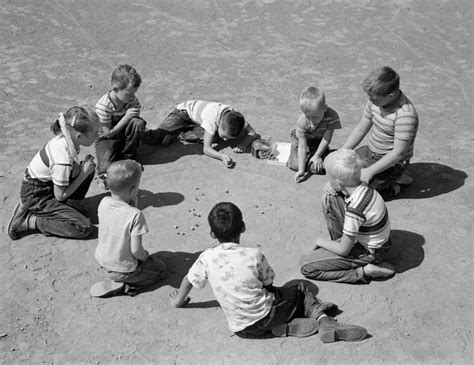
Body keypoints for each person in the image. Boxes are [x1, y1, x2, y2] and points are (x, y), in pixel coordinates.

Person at [169, 202, 368, 342]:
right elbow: (269, 281)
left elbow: (188, 279)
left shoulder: (206, 257)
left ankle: (283, 329)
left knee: (276, 301)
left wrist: (179, 301)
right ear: (243, 227)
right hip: (267, 315)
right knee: (297, 289)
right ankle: (325, 321)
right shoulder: (253, 255)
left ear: (212, 233)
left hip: (243, 329)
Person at [299, 149, 395, 284]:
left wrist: (319, 241)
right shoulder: (365, 187)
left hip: (369, 253)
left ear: (339, 183)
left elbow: (344, 250)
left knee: (306, 266)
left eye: (329, 178)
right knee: (329, 197)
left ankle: (363, 272)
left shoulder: (354, 210)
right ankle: (339, 241)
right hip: (378, 243)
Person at [7, 106, 99, 240]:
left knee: (86, 169)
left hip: (45, 185)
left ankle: (69, 207)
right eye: (95, 132)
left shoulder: (66, 139)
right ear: (79, 136)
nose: (98, 135)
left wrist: (82, 171)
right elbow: (60, 196)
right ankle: (29, 220)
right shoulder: (63, 158)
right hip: (37, 195)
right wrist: (83, 174)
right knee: (83, 227)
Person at [92, 159, 166, 297]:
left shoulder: (103, 202)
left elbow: (122, 216)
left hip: (103, 258)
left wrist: (133, 198)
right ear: (133, 190)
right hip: (122, 268)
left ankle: (116, 277)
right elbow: (137, 251)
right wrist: (145, 257)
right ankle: (127, 286)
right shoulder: (136, 215)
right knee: (160, 269)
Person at [342, 66, 419, 198]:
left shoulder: (405, 115)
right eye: (370, 97)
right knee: (341, 173)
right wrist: (343, 150)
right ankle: (390, 178)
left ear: (391, 95)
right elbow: (361, 128)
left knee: (360, 194)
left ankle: (394, 184)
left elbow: (397, 153)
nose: (371, 101)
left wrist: (370, 171)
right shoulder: (375, 102)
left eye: (375, 98)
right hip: (370, 151)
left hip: (393, 161)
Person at [140, 100, 259, 168]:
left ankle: (177, 134)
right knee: (156, 137)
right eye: (225, 135)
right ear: (220, 122)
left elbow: (253, 133)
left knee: (215, 137)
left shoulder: (237, 118)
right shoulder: (212, 119)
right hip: (182, 114)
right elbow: (206, 149)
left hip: (199, 120)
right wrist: (222, 157)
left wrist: (243, 145)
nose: (226, 140)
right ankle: (138, 130)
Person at [94, 64, 148, 189]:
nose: (133, 97)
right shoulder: (103, 106)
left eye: (134, 93)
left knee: (138, 123)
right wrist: (126, 118)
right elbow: (108, 134)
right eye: (129, 94)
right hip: (107, 139)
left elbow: (135, 122)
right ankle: (108, 171)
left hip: (123, 133)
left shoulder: (131, 100)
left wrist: (131, 119)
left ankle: (128, 157)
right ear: (115, 89)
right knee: (105, 168)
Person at [287, 86, 341, 183]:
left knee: (327, 165)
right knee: (295, 165)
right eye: (308, 117)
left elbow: (326, 139)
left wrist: (317, 156)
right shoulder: (302, 121)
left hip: (319, 140)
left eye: (315, 117)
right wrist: (301, 170)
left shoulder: (332, 116)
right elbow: (302, 147)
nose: (312, 121)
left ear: (325, 108)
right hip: (303, 141)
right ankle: (314, 160)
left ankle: (320, 156)